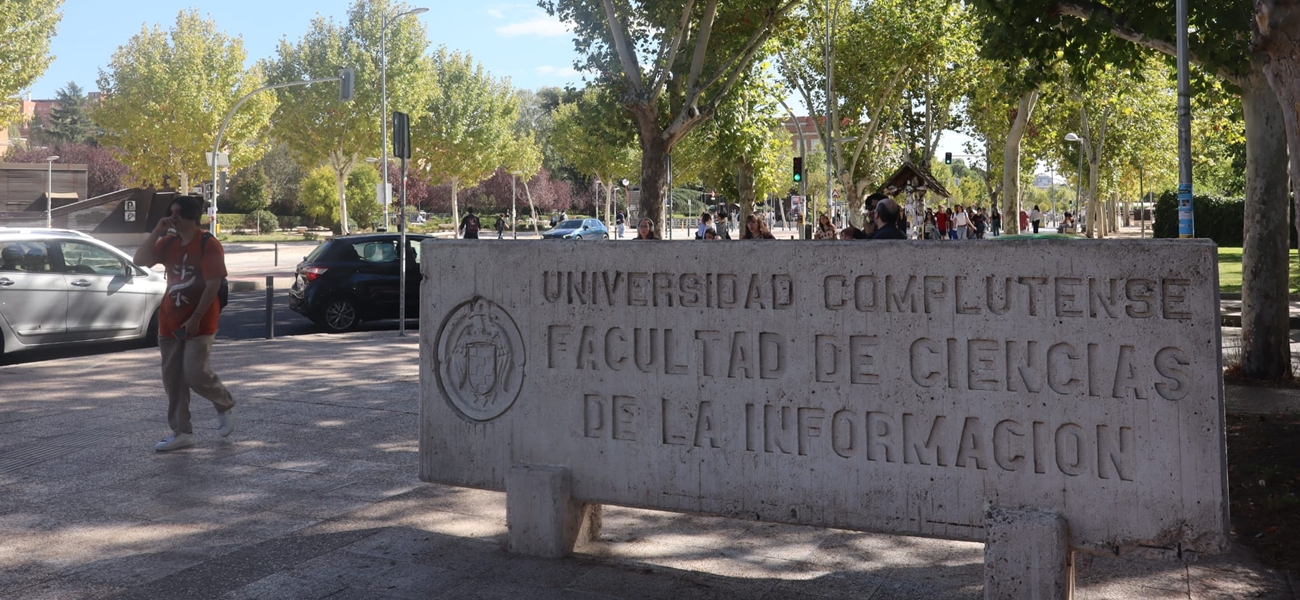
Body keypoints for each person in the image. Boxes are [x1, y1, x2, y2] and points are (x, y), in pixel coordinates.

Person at [132, 195, 235, 452]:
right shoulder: (168, 242)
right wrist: (157, 230)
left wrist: (196, 317)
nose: (173, 217)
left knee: (195, 372)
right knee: (173, 380)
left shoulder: (208, 244)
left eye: (178, 213)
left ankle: (223, 403)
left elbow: (213, 284)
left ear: (191, 216)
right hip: (170, 321)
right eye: (171, 212)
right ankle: (182, 432)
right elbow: (139, 259)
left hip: (200, 320)